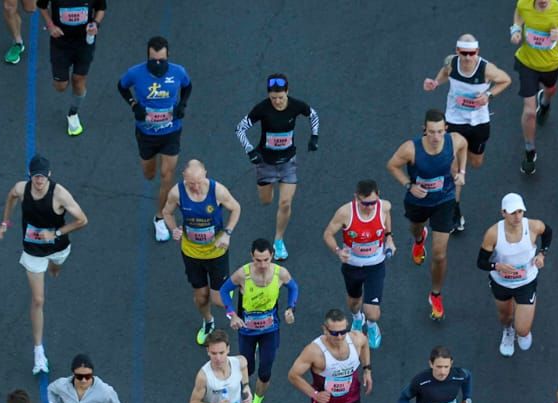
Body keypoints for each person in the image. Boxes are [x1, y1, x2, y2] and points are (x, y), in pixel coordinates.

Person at [0, 155, 89, 373]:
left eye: (42, 176)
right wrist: (5, 223)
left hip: (58, 248)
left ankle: (54, 267)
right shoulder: (21, 189)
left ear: (49, 174)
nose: (39, 180)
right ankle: (38, 351)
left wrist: (55, 232)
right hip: (33, 250)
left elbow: (82, 219)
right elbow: (10, 198)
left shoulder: (60, 194)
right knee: (38, 299)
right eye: (35, 176)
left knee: (55, 267)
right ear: (30, 175)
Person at [385, 111, 469, 321]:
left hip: (444, 200)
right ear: (424, 130)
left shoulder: (454, 141)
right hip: (418, 201)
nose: (436, 137)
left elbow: (464, 145)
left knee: (439, 254)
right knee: (415, 228)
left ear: (445, 129)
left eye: (440, 131)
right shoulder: (410, 148)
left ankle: (436, 294)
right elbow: (392, 165)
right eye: (431, 132)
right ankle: (419, 238)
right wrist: (408, 185)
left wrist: (462, 172)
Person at [423, 35, 512, 227]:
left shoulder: (486, 69)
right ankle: (455, 210)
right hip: (455, 120)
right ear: (457, 51)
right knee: (453, 168)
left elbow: (506, 80)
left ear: (477, 52)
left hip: (479, 122)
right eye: (464, 53)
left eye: (472, 53)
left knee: (476, 162)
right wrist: (436, 83)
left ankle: (464, 160)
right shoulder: (452, 63)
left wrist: (488, 95)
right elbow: (445, 72)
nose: (468, 57)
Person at [234, 73, 320, 260]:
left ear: (287, 92)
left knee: (285, 202)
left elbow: (313, 115)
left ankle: (278, 241)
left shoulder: (296, 105)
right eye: (273, 98)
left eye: (281, 97)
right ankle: (269, 186)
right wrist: (250, 150)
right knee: (266, 201)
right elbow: (239, 129)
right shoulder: (262, 109)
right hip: (265, 162)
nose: (278, 102)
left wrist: (314, 137)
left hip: (288, 161)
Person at [118, 37, 192, 241]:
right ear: (147, 57)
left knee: (167, 174)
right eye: (153, 60)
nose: (157, 64)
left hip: (171, 131)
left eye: (161, 60)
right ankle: (159, 206)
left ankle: (160, 218)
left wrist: (182, 106)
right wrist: (134, 105)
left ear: (168, 57)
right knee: (149, 174)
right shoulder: (135, 72)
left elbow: (187, 87)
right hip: (146, 133)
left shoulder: (178, 72)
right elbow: (121, 86)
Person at [218, 239, 298, 403]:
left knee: (265, 370)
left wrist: (290, 308)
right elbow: (223, 291)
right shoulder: (243, 274)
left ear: (271, 256)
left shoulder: (280, 273)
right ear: (251, 257)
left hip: (270, 330)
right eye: (258, 260)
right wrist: (232, 315)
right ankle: (237, 397)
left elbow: (293, 287)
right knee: (247, 368)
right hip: (247, 331)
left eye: (266, 260)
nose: (262, 265)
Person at [160, 159, 240, 344]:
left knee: (219, 300)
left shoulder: (217, 190)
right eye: (190, 183)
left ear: (205, 174)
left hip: (216, 252)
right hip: (191, 252)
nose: (195, 187)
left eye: (198, 182)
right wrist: (174, 229)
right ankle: (208, 321)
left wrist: (227, 233)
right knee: (201, 296)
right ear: (184, 178)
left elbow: (236, 208)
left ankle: (232, 295)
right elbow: (167, 212)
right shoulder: (177, 192)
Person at [322, 179, 396, 350]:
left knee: (373, 312)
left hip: (375, 265)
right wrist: (338, 251)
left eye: (373, 202)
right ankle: (357, 318)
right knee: (354, 302)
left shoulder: (384, 206)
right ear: (356, 198)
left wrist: (389, 237)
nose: (370, 207)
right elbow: (327, 234)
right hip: (352, 265)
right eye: (365, 203)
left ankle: (371, 326)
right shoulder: (345, 213)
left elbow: (387, 218)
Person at [510, 0, 558, 175]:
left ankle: (545, 102)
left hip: (551, 64)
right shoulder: (524, 4)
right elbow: (518, 14)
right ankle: (530, 151)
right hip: (527, 63)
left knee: (551, 90)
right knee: (530, 111)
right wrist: (516, 30)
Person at [479, 193, 550, 356]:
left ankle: (521, 331)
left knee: (523, 329)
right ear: (503, 213)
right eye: (512, 212)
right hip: (501, 283)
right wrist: (497, 266)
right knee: (505, 316)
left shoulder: (533, 226)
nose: (517, 216)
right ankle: (508, 332)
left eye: (520, 211)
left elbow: (548, 233)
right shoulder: (493, 233)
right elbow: (481, 262)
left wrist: (542, 254)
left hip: (526, 282)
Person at [37, 0, 106, 135]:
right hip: (60, 42)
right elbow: (42, 6)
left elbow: (101, 9)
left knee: (78, 79)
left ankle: (73, 113)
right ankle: (62, 78)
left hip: (84, 42)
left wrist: (96, 24)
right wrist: (50, 25)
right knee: (60, 86)